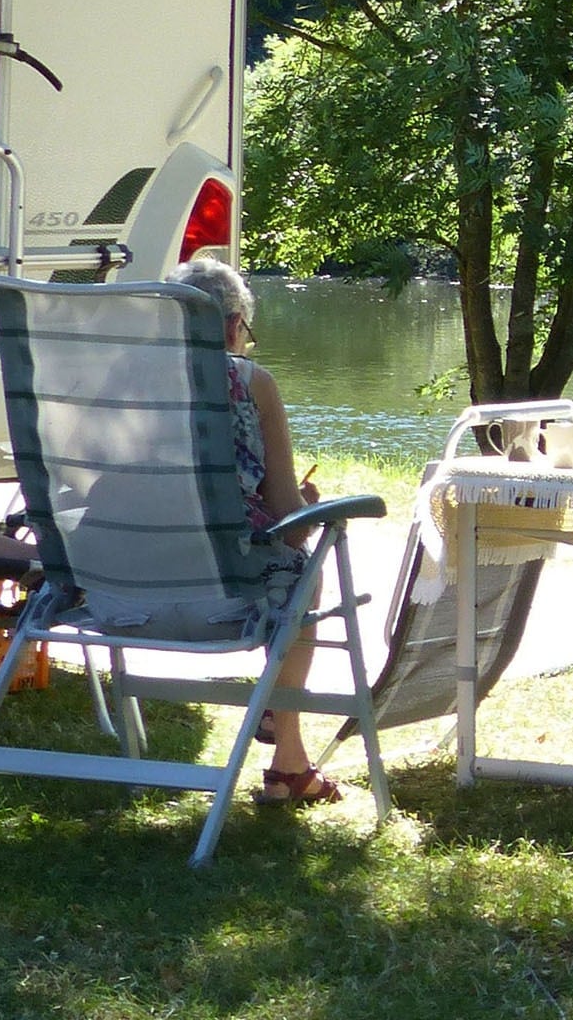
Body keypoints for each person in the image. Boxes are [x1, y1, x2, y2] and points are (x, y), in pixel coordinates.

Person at [170, 257, 339, 805]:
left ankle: (283, 734)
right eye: (244, 330)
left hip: (121, 586)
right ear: (230, 325)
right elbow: (287, 518)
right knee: (302, 575)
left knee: (288, 569)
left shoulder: (125, 381)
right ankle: (288, 758)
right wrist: (306, 507)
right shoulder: (250, 382)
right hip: (228, 587)